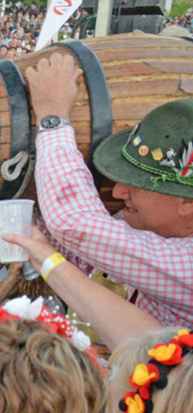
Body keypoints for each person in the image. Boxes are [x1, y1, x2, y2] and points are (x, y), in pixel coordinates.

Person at [24, 53, 193, 327]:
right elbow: (84, 254)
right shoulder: (141, 225)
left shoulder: (187, 265)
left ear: (187, 202)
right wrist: (2, 201)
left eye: (139, 183)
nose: (117, 193)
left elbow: (73, 223)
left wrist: (52, 116)